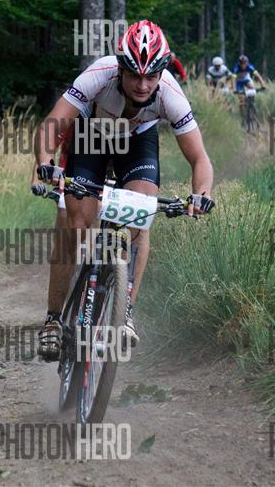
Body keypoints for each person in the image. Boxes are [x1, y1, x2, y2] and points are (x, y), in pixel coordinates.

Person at [32, 20, 215, 362]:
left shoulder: (171, 93)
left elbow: (200, 158)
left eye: (151, 76)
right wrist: (46, 163)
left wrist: (201, 194)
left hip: (137, 143)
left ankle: (123, 310)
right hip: (91, 136)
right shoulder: (98, 75)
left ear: (161, 73)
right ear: (120, 68)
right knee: (76, 223)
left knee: (140, 215)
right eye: (134, 75)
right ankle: (53, 320)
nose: (143, 85)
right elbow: (52, 126)